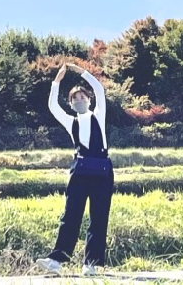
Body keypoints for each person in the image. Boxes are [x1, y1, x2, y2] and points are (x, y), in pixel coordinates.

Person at [35, 63, 114, 277]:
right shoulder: (71, 122)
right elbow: (53, 106)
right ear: (70, 104)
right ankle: (56, 261)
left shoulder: (99, 114)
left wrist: (81, 71)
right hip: (79, 171)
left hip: (102, 171)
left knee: (99, 217)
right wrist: (57, 81)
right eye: (75, 99)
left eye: (82, 97)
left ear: (89, 100)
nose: (79, 100)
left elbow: (99, 88)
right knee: (70, 215)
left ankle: (91, 264)